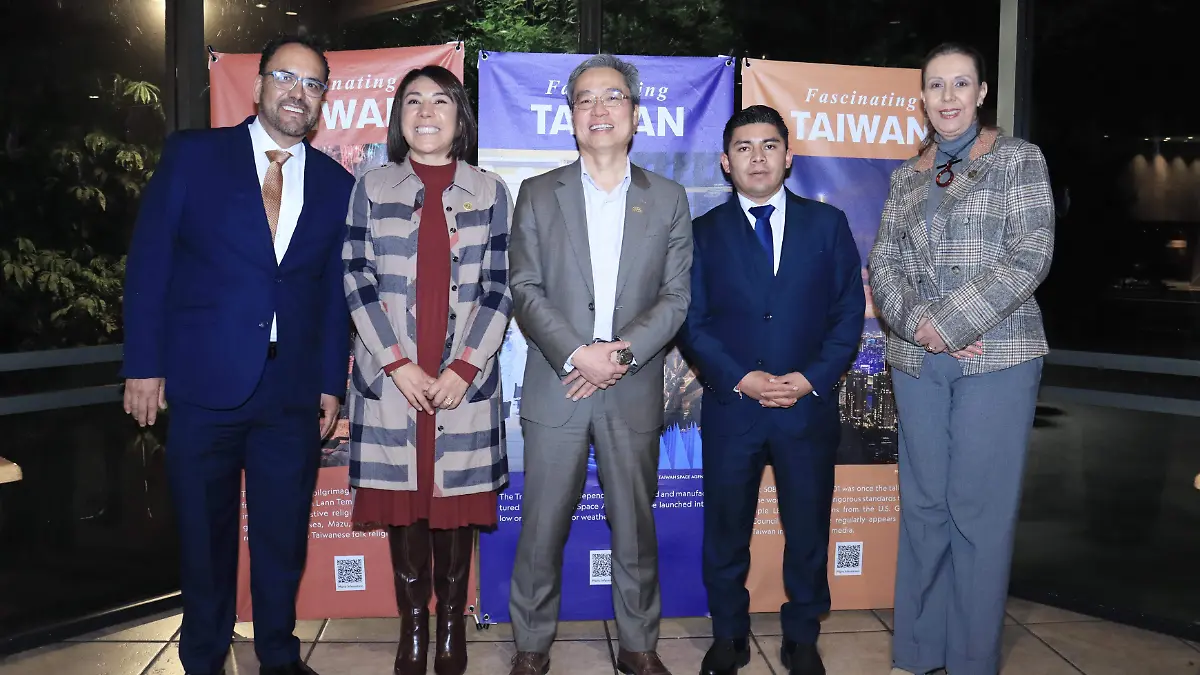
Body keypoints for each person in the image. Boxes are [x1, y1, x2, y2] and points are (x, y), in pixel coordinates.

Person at [121, 35, 353, 675]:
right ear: (258, 86)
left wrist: (331, 381)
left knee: (282, 539)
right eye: (286, 77)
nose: (297, 93)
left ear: (322, 102)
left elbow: (333, 294)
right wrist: (143, 365)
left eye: (312, 85)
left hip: (292, 395)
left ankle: (279, 654)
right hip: (202, 386)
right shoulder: (195, 156)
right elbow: (149, 267)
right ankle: (202, 658)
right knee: (204, 537)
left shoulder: (336, 184)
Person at [867, 42, 1054, 675]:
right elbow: (885, 263)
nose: (947, 97)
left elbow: (1030, 254)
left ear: (980, 95)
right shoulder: (906, 175)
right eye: (935, 86)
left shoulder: (1020, 161)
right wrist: (922, 326)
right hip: (918, 359)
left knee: (977, 509)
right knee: (923, 505)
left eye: (960, 85)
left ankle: (972, 660)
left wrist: (952, 322)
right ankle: (917, 653)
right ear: (922, 97)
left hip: (997, 356)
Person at [506, 54, 693, 675]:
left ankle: (639, 647)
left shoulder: (667, 198)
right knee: (541, 531)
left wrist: (617, 355)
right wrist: (576, 353)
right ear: (572, 118)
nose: (599, 109)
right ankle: (532, 648)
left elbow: (676, 298)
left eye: (612, 97)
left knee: (635, 529)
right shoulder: (537, 194)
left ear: (635, 115)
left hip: (632, 384)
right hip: (557, 384)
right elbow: (525, 288)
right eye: (585, 100)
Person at [679, 105, 865, 675]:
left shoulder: (826, 225)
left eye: (768, 145)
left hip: (805, 407)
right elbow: (691, 320)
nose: (756, 157)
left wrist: (810, 378)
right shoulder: (702, 233)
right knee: (725, 529)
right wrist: (741, 378)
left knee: (808, 528)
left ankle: (802, 636)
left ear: (789, 156)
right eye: (743, 147)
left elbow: (847, 314)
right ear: (725, 161)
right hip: (734, 405)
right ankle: (729, 635)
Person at [342, 65, 513, 675]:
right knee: (406, 506)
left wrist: (464, 368)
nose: (425, 111)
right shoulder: (371, 186)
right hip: (393, 382)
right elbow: (355, 279)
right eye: (412, 100)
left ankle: (450, 627)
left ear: (459, 118)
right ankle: (413, 624)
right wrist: (397, 365)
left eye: (440, 101)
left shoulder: (490, 190)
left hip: (461, 381)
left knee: (453, 509)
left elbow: (501, 286)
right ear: (399, 118)